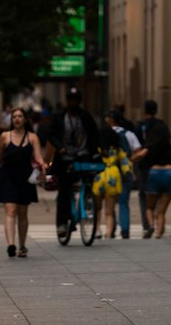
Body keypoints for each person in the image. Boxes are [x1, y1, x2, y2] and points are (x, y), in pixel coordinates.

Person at [0, 105, 47, 257]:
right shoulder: (5, 137)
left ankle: (22, 245)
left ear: (25, 119)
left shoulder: (32, 137)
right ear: (11, 120)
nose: (17, 119)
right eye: (14, 117)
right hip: (7, 176)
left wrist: (43, 166)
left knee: (22, 213)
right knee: (10, 210)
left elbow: (38, 156)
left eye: (20, 116)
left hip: (25, 177)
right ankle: (11, 245)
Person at [44, 86, 99, 243]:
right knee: (64, 190)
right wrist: (59, 147)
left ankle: (87, 202)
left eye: (76, 100)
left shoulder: (85, 117)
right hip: (64, 159)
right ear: (67, 101)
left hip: (84, 157)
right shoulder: (60, 117)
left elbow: (94, 135)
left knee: (88, 181)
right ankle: (62, 223)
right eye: (71, 100)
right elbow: (51, 135)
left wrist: (99, 152)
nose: (73, 102)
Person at [136, 118, 171, 237]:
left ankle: (151, 224)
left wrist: (131, 158)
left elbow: (141, 155)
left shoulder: (151, 147)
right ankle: (158, 234)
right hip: (169, 174)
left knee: (149, 207)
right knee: (161, 211)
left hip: (155, 174)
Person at [93, 118, 135, 239]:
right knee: (109, 210)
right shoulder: (117, 148)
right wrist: (128, 172)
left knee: (98, 208)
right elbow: (125, 162)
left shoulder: (98, 148)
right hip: (113, 175)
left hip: (99, 175)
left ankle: (97, 230)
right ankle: (109, 232)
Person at [103, 109, 140, 238]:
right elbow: (137, 151)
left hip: (109, 173)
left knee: (110, 202)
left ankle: (111, 228)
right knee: (124, 202)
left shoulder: (105, 134)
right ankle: (125, 230)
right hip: (125, 172)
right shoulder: (129, 134)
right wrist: (129, 161)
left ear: (111, 119)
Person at [135, 100, 162, 238]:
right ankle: (158, 222)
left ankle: (147, 224)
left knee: (143, 194)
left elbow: (135, 146)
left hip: (143, 165)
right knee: (157, 194)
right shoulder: (161, 125)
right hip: (159, 164)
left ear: (144, 110)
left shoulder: (139, 126)